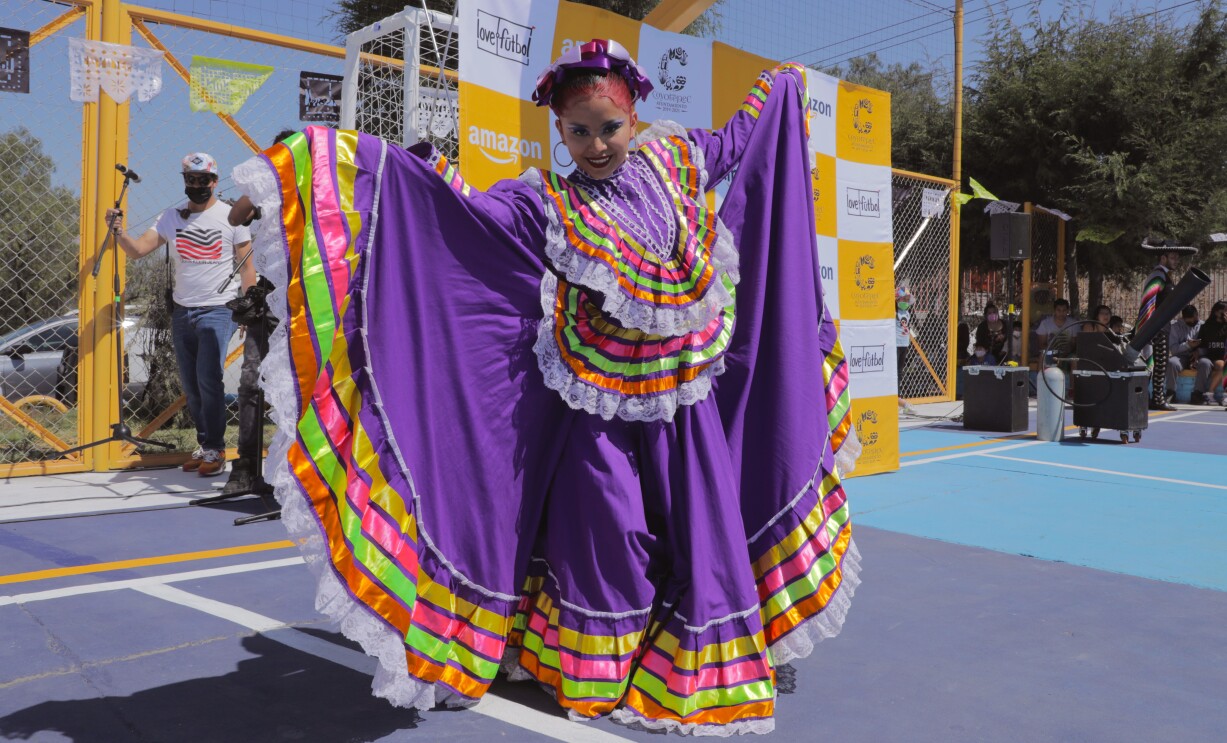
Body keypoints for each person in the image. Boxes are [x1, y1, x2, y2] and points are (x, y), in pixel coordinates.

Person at [230, 40, 860, 734]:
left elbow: (744, 136)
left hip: (685, 406)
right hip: (597, 414)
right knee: (608, 531)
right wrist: (351, 163)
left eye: (609, 127)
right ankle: (598, 670)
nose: (596, 144)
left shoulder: (675, 162)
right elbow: (463, 214)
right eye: (578, 131)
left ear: (634, 118)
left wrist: (775, 86)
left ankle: (686, 654)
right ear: (558, 131)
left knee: (694, 530)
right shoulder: (546, 205)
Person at [108, 153, 253, 476]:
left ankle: (216, 449)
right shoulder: (171, 217)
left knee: (208, 378)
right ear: (184, 181)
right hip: (183, 310)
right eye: (191, 180)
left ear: (215, 181)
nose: (197, 185)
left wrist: (249, 305)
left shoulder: (231, 217)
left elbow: (246, 266)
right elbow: (138, 250)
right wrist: (119, 232)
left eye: (203, 180)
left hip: (219, 309)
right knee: (191, 383)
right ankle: (205, 444)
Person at [222, 130, 297, 496]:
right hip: (269, 293)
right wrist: (260, 181)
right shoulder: (265, 189)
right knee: (251, 380)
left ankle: (297, 468)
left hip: (304, 291)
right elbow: (237, 217)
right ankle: (246, 467)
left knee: (303, 384)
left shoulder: (318, 189)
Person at [1136, 238, 1198, 411]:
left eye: (1177, 256)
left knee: (1161, 364)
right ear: (1163, 257)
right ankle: (1150, 398)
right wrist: (1148, 329)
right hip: (1155, 328)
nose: (1176, 260)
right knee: (1153, 363)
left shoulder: (1165, 276)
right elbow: (1148, 302)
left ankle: (1154, 398)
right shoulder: (1158, 275)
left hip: (1162, 326)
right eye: (1173, 256)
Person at [1166, 304, 1213, 405]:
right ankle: (1171, 392)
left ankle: (1198, 393)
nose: (1192, 322)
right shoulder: (1175, 326)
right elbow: (1174, 349)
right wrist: (1187, 345)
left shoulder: (1203, 325)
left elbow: (1209, 347)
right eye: (1189, 321)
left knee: (1206, 363)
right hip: (1181, 356)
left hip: (1199, 356)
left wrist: (1199, 352)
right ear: (1184, 318)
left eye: (1194, 319)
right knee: (1172, 363)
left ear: (1197, 315)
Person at [1199, 300, 1227, 406]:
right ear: (1216, 312)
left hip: (1223, 356)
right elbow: (1201, 343)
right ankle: (1210, 393)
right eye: (1224, 311)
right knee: (1222, 365)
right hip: (1213, 356)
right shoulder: (1207, 326)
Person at [896, 284, 914, 381]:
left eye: (907, 300)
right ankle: (894, 393)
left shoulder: (907, 313)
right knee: (894, 370)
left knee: (900, 370)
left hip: (904, 343)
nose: (905, 302)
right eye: (903, 299)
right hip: (896, 343)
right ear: (897, 300)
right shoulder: (894, 312)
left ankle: (898, 394)